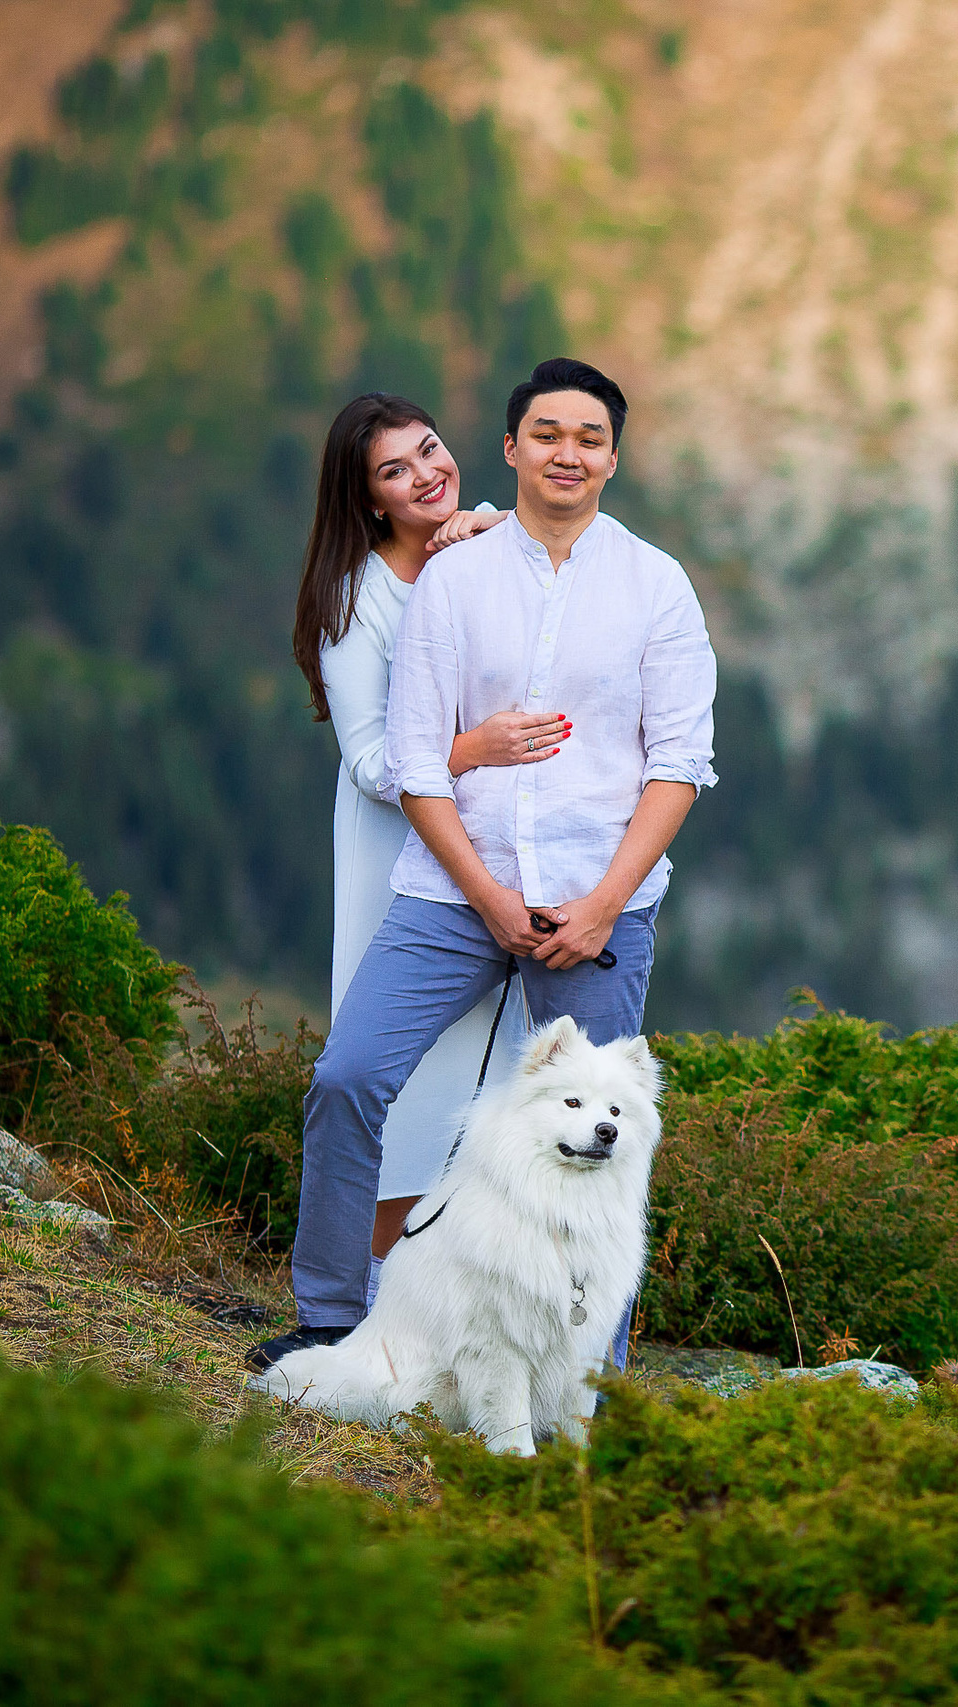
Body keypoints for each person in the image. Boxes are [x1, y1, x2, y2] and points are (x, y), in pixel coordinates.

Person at [252, 358, 717, 1375]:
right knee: (347, 1077)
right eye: (546, 433)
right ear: (511, 448)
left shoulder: (656, 587)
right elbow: (414, 761)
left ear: (613, 459)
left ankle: (591, 1367)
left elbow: (679, 764)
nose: (567, 452)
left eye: (588, 438)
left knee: (606, 1129)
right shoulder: (452, 580)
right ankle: (332, 1318)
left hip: (600, 905)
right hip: (454, 895)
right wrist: (492, 899)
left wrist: (601, 906)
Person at [285, 393, 564, 1314]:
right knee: (399, 1072)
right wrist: (474, 748)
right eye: (395, 470)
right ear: (366, 500)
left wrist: (487, 524)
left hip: (496, 842)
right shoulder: (356, 599)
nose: (426, 474)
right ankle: (369, 1293)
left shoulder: (485, 546)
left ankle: (463, 1289)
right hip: (396, 847)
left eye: (430, 449)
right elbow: (371, 764)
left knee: (495, 1067)